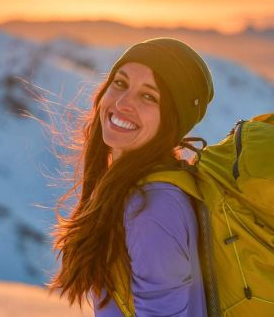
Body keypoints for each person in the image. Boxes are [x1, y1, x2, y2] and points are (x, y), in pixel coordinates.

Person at [49, 38, 214, 317]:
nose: (123, 103)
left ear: (171, 120)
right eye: (121, 83)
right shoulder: (138, 191)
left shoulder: (152, 207)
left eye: (149, 96)